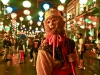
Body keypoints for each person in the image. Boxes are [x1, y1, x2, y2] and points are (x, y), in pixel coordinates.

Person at [36, 8, 77, 75]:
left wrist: (73, 59)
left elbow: (76, 64)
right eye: (48, 22)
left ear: (61, 22)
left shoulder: (69, 42)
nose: (51, 24)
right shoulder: (45, 47)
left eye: (54, 20)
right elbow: (43, 71)